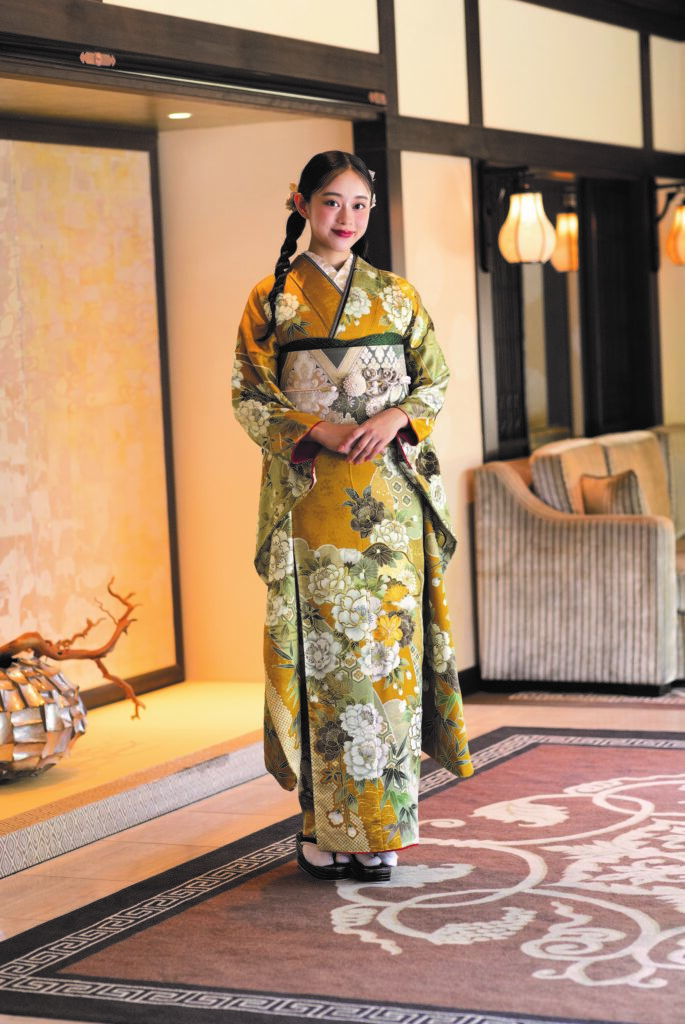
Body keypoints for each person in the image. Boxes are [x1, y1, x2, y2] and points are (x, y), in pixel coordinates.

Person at [233, 150, 473, 882]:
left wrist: (396, 414)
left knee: (388, 659)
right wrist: (321, 429)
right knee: (328, 666)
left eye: (360, 205)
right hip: (315, 499)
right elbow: (250, 395)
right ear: (301, 204)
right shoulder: (271, 299)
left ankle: (381, 830)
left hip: (389, 502)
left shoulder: (395, 295)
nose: (347, 217)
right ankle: (325, 828)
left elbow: (434, 380)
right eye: (332, 202)